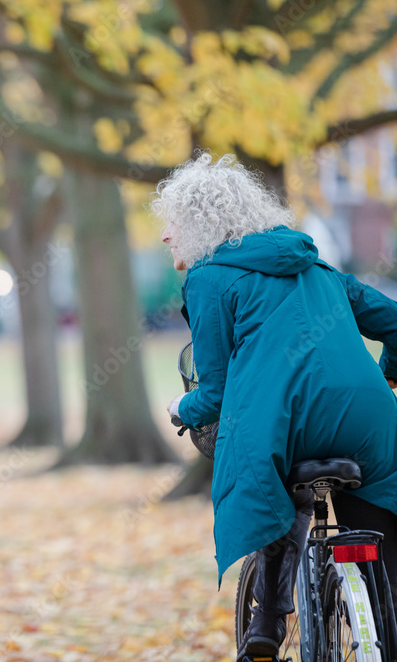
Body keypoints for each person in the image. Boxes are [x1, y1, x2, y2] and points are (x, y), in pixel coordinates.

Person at [155, 152, 397, 660]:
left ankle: (266, 622)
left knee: (273, 484)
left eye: (172, 222)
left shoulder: (208, 279)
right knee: (383, 551)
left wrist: (181, 407)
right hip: (370, 422)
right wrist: (384, 377)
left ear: (200, 225)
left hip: (282, 422)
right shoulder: (319, 267)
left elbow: (216, 391)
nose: (165, 236)